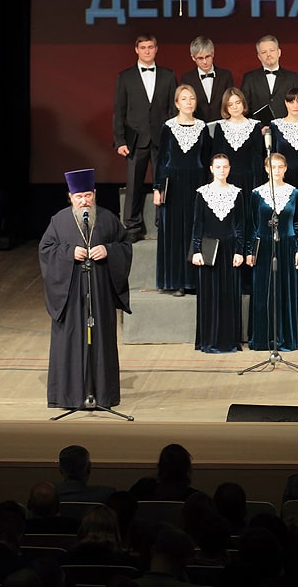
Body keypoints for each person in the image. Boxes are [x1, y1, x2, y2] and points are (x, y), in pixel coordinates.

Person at [38, 168, 131, 410]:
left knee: (101, 342)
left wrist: (108, 250)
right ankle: (69, 396)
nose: (84, 201)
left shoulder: (108, 219)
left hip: (99, 293)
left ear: (94, 194)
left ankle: (102, 394)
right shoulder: (59, 221)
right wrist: (69, 253)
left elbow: (125, 245)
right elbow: (46, 251)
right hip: (70, 296)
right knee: (70, 341)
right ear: (70, 197)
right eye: (78, 197)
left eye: (88, 195)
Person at [112, 34, 177, 241]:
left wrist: (174, 138)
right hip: (135, 140)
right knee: (133, 184)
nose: (147, 51)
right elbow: (119, 111)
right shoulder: (125, 77)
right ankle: (132, 227)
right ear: (136, 50)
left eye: (150, 47)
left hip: (161, 139)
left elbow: (173, 110)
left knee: (163, 182)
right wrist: (120, 141)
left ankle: (163, 223)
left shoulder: (168, 75)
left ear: (156, 49)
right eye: (143, 47)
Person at [154, 85, 212, 295]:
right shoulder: (168, 127)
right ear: (177, 103)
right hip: (173, 184)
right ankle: (175, 280)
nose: (189, 102)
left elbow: (207, 159)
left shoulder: (202, 127)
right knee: (174, 231)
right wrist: (157, 188)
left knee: (194, 229)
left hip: (196, 182)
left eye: (192, 98)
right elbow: (161, 160)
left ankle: (194, 280)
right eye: (184, 98)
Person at [246, 152, 298, 352]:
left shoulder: (294, 193)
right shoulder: (256, 193)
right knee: (263, 291)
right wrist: (250, 251)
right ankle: (263, 339)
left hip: (287, 245)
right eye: (273, 167)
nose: (277, 170)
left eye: (280, 167)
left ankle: (286, 339)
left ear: (286, 168)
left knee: (285, 291)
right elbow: (252, 225)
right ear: (266, 169)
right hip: (263, 247)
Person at [191, 154, 246, 353]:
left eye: (225, 167)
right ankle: (209, 340)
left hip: (230, 250)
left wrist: (239, 251)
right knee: (209, 295)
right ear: (212, 169)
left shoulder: (237, 193)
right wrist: (196, 250)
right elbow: (198, 224)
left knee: (229, 294)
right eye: (218, 167)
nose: (222, 170)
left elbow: (240, 225)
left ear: (229, 169)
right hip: (208, 249)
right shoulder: (202, 193)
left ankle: (229, 340)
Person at [210, 87, 265, 199]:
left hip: (249, 180)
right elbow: (216, 156)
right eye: (230, 104)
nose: (234, 107)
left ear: (243, 103)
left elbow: (258, 157)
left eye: (237, 103)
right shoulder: (220, 127)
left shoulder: (255, 126)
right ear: (225, 107)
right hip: (226, 180)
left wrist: (258, 185)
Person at [239, 34, 298, 125]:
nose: (268, 54)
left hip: (286, 129)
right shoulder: (249, 78)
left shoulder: (293, 78)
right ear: (259, 56)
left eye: (272, 50)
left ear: (279, 52)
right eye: (264, 52)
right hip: (258, 130)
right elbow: (244, 108)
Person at [182, 35, 234, 123]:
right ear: (193, 57)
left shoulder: (226, 76)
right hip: (197, 125)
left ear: (213, 54)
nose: (205, 62)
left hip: (223, 124)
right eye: (200, 58)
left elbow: (230, 101)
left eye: (208, 56)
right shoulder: (187, 79)